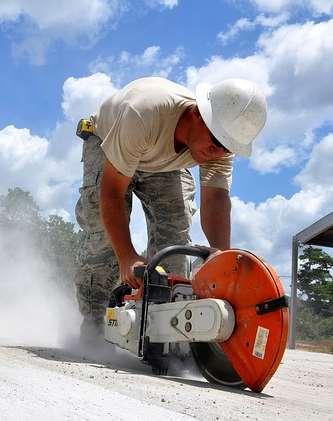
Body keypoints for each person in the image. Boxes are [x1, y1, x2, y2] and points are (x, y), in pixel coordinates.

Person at [74, 77, 267, 342]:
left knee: (175, 239)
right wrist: (128, 257)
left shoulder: (220, 145)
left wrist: (222, 260)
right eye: (215, 142)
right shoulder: (143, 113)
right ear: (198, 114)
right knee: (105, 240)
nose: (218, 153)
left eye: (227, 148)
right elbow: (112, 193)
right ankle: (94, 330)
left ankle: (161, 334)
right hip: (110, 142)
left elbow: (215, 201)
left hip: (162, 160)